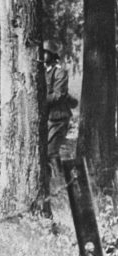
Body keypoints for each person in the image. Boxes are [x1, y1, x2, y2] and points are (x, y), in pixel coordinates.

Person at [43, 40, 72, 173]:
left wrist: (40, 101)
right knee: (45, 152)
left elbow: (58, 95)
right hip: (47, 118)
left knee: (51, 152)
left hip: (59, 118)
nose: (43, 55)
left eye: (46, 52)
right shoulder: (43, 72)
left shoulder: (60, 72)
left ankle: (61, 182)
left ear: (53, 55)